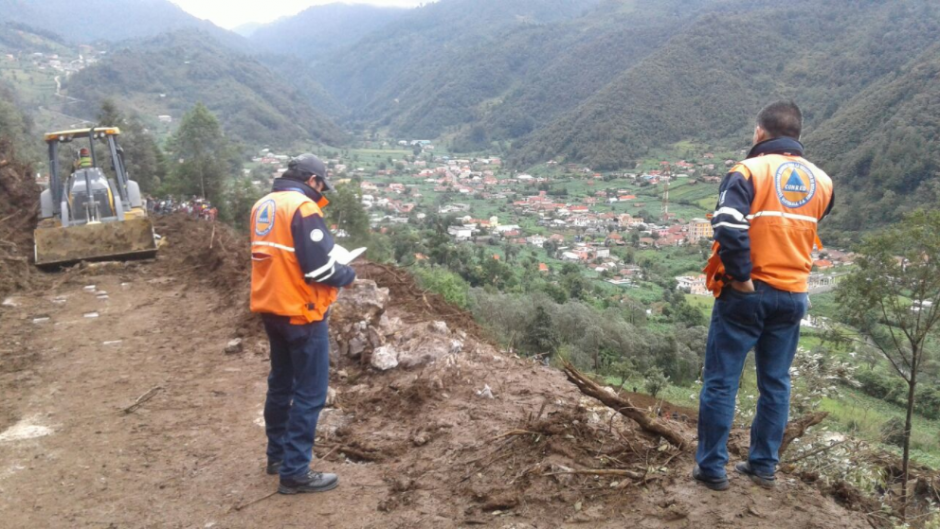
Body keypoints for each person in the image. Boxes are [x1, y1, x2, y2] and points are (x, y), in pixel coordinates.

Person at [694, 101, 834, 491]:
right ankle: (763, 467)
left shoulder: (747, 171)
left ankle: (712, 468)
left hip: (748, 292)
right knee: (776, 383)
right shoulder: (822, 181)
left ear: (760, 133)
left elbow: (726, 224)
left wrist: (739, 277)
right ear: (797, 135)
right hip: (793, 295)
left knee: (722, 381)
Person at [249, 153, 356, 495]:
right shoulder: (302, 208)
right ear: (313, 180)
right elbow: (318, 268)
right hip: (302, 311)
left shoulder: (263, 205)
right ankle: (295, 472)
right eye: (322, 185)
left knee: (280, 384)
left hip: (272, 308)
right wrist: (347, 273)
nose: (321, 191)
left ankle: (277, 457)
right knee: (310, 393)